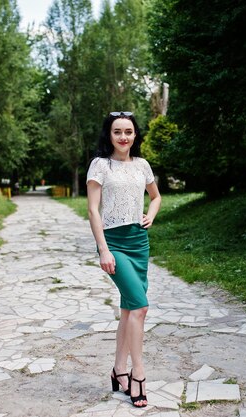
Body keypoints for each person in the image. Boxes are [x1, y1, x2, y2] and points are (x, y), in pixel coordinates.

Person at [86, 111, 161, 408]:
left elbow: (155, 196)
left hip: (138, 242)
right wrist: (103, 249)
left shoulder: (142, 165)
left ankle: (119, 371)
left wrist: (150, 216)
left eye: (128, 132)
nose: (123, 137)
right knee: (140, 306)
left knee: (130, 310)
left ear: (135, 135)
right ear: (109, 135)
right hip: (114, 242)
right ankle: (138, 374)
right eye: (117, 132)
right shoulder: (100, 165)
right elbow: (93, 210)